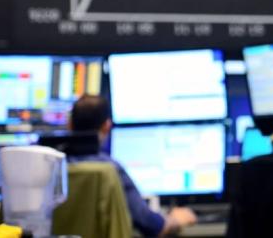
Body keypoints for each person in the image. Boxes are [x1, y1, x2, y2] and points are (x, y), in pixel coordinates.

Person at [68, 94, 198, 237]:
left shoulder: (52, 166)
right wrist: (176, 219)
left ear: (70, 124)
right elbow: (152, 225)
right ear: (107, 126)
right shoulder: (109, 170)